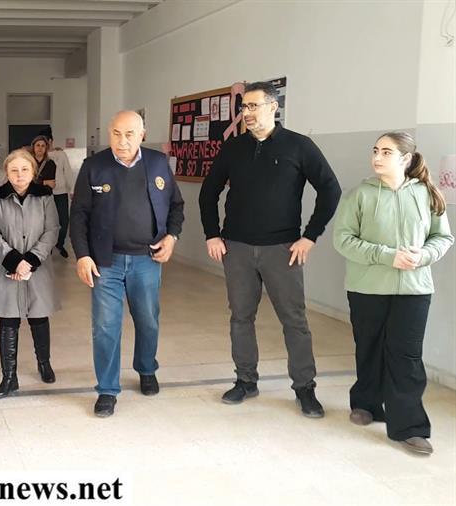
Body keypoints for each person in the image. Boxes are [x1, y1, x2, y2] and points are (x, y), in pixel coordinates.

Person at [198, 81, 342, 417]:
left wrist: (310, 236)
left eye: (253, 106)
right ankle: (245, 381)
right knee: (240, 318)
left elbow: (330, 189)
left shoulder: (299, 146)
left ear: (273, 107)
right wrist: (212, 234)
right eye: (243, 107)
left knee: (294, 320)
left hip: (283, 249)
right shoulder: (233, 148)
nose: (247, 113)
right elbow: (209, 192)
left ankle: (304, 388)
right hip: (237, 248)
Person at [333, 132, 453, 455]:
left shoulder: (428, 195)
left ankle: (409, 427)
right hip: (366, 288)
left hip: (414, 290)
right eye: (375, 150)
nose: (377, 157)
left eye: (386, 152)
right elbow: (343, 240)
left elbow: (443, 238)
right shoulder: (358, 195)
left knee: (407, 356)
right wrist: (388, 256)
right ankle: (366, 404)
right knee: (369, 348)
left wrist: (423, 255)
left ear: (406, 159)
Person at [70, 110, 184, 418]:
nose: (122, 141)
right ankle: (107, 389)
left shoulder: (158, 163)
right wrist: (82, 255)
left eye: (129, 134)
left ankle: (146, 368)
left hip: (147, 259)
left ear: (142, 135)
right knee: (105, 326)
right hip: (105, 262)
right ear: (109, 133)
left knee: (148, 320)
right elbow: (78, 215)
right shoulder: (94, 166)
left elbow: (176, 205)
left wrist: (172, 237)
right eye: (116, 134)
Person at [0, 149, 61, 398]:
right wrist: (14, 261)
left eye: (25, 169)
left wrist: (30, 260)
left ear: (33, 171)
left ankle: (44, 363)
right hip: (7, 268)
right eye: (14, 170)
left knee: (39, 316)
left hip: (37, 267)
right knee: (8, 320)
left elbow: (52, 230)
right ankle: (9, 377)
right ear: (6, 173)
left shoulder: (45, 196)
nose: (19, 175)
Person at [42, 128, 75, 258]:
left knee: (64, 221)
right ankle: (48, 246)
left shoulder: (61, 154)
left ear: (51, 141)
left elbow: (68, 171)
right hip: (45, 193)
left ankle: (60, 244)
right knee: (47, 222)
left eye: (46, 142)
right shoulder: (39, 156)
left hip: (61, 192)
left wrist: (72, 189)